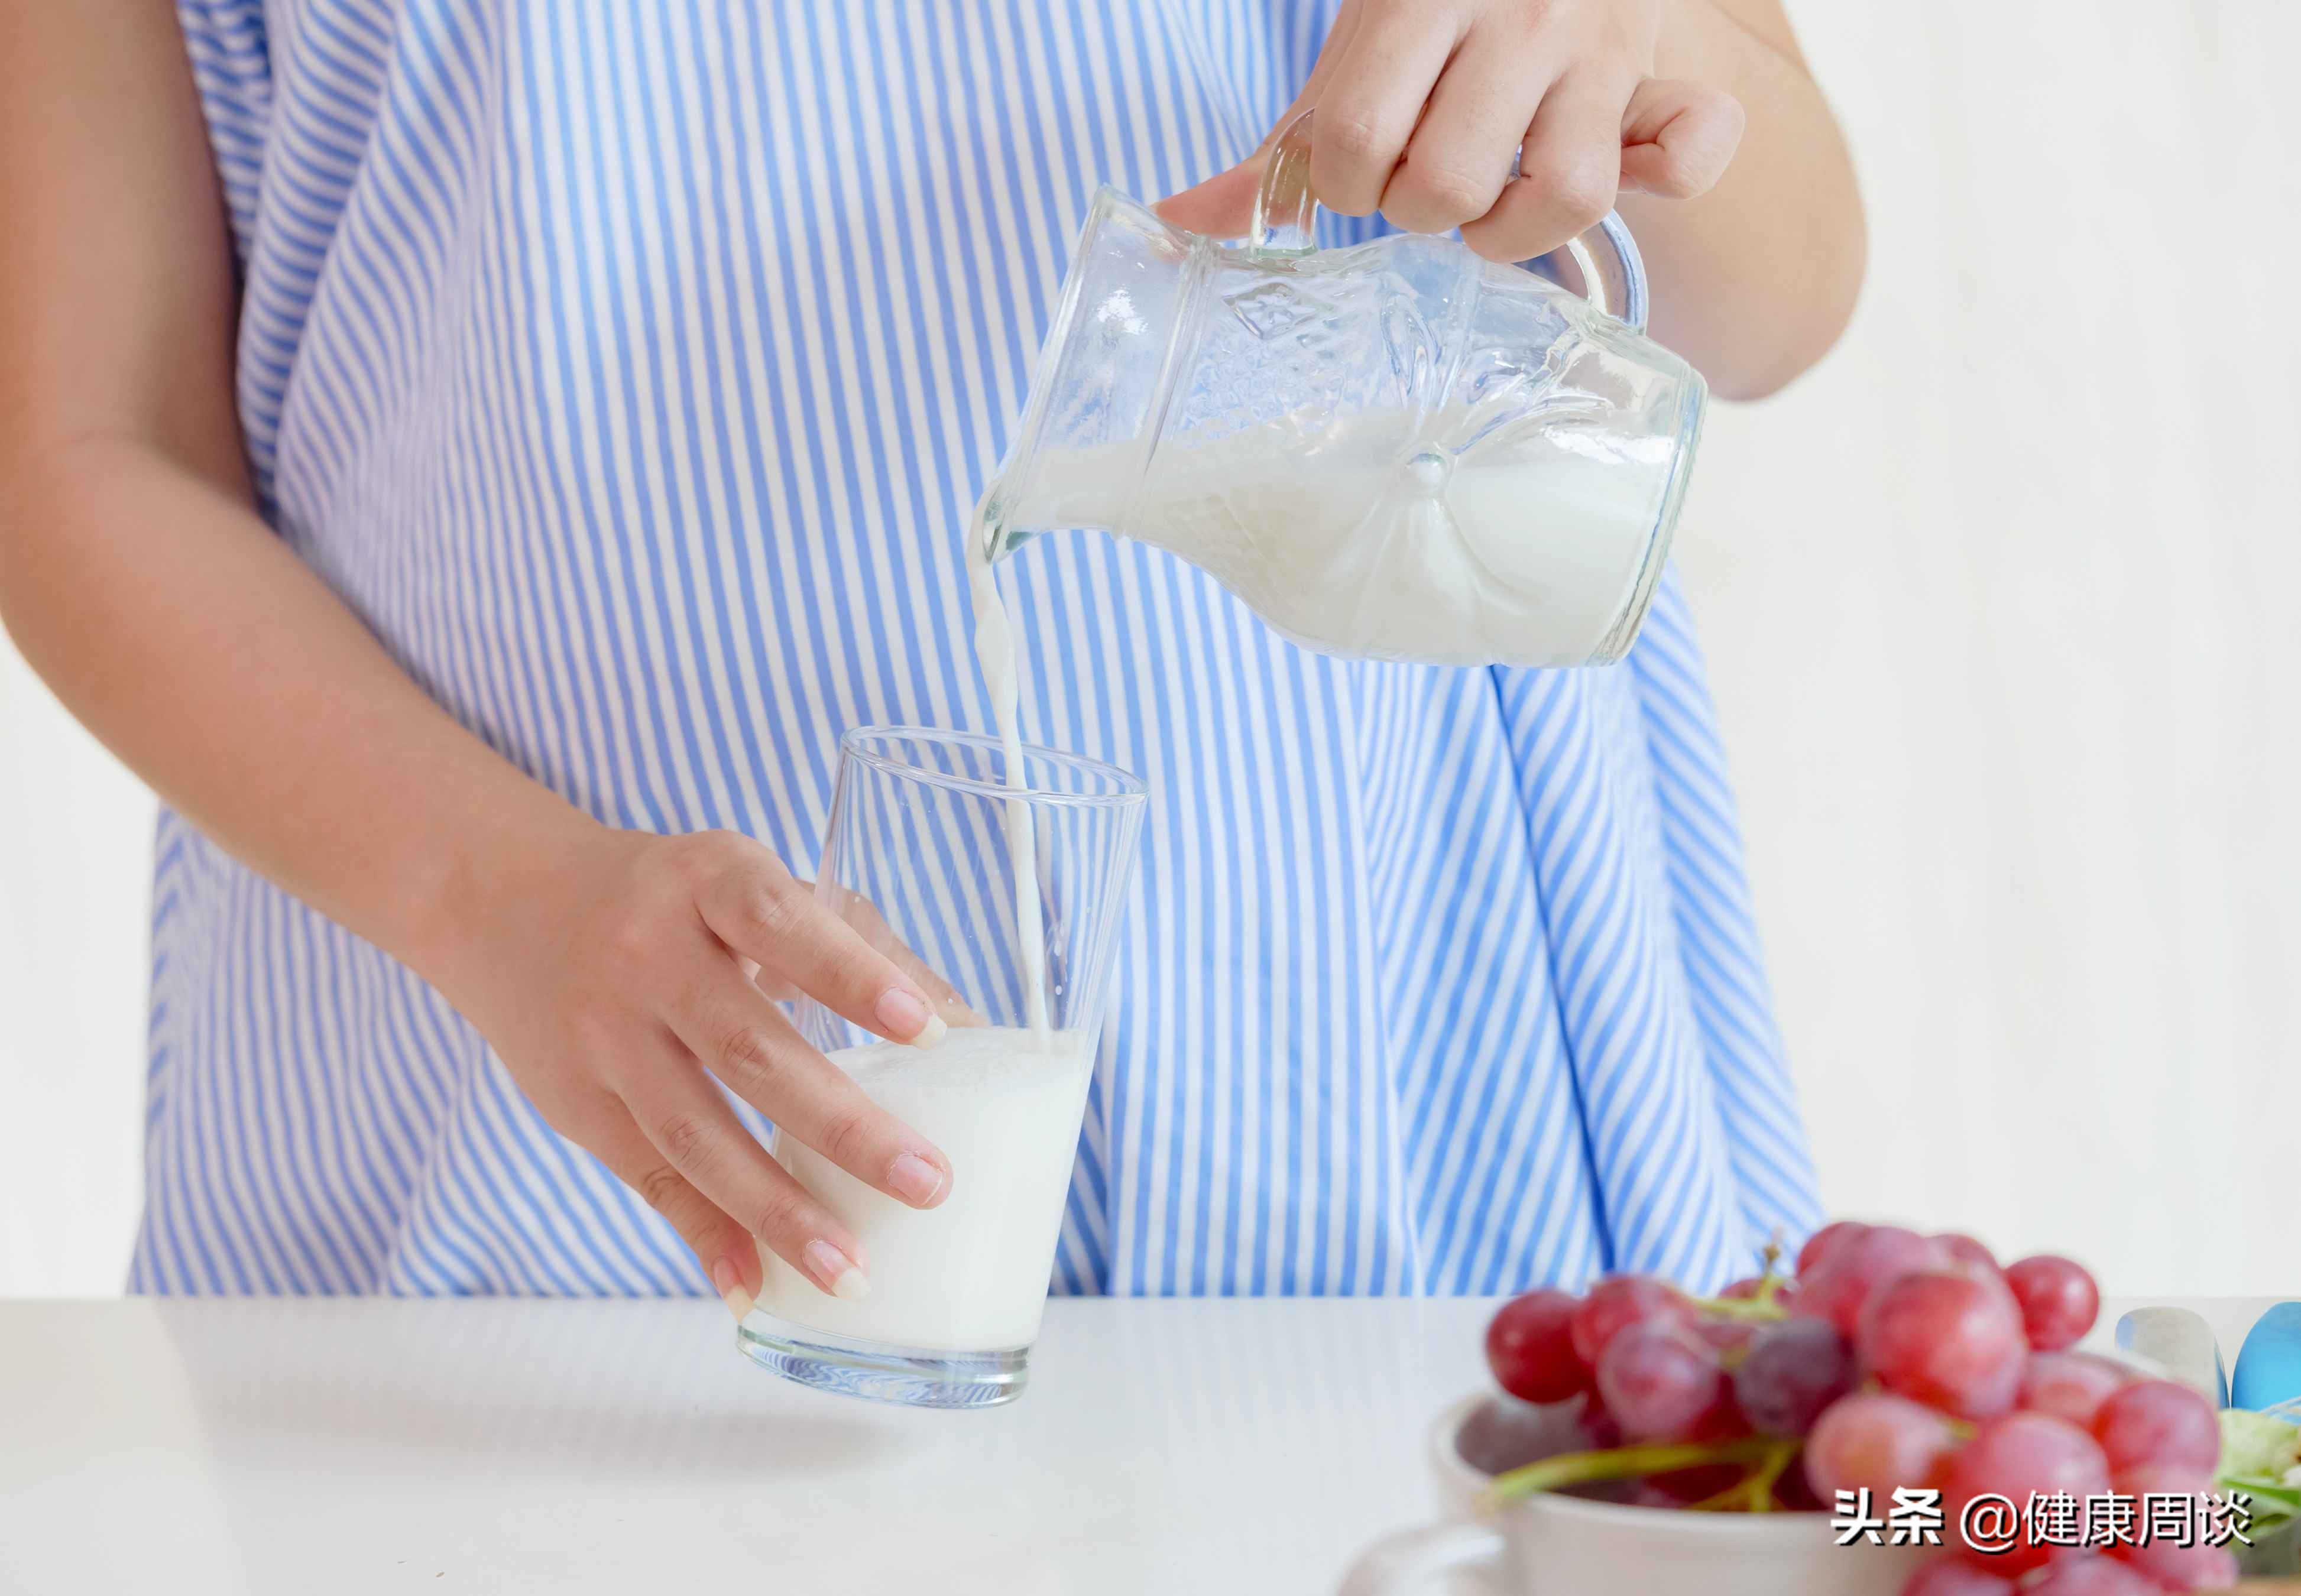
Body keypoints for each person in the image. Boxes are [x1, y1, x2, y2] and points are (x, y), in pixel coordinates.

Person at [0, 1, 1862, 1310]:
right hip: (528, 1181)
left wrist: (1646, 57)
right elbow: (83, 455)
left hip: (1416, 1111)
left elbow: (1783, 285)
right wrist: (502, 898)